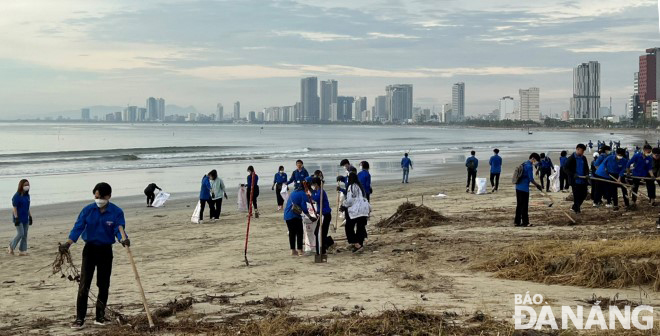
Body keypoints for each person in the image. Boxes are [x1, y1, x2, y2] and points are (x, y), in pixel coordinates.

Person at [58, 182, 130, 329]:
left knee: (103, 285)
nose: (98, 199)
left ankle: (100, 317)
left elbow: (119, 229)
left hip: (105, 250)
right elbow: (78, 228)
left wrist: (123, 240)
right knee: (84, 284)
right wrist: (68, 243)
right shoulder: (88, 210)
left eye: (101, 197)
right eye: (96, 196)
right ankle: (80, 319)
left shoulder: (116, 212)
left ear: (108, 196)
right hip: (90, 250)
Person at [340, 172, 370, 253]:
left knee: (349, 227)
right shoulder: (360, 187)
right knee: (360, 228)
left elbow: (350, 200)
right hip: (364, 209)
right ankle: (360, 244)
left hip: (356, 210)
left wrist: (343, 205)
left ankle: (357, 244)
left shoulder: (351, 186)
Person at [283, 181, 315, 256]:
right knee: (299, 232)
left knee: (292, 233)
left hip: (287, 215)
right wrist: (310, 216)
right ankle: (300, 250)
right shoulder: (302, 194)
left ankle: (293, 250)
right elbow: (304, 207)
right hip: (294, 215)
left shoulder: (294, 192)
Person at [514, 153, 542, 227]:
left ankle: (517, 222)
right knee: (524, 206)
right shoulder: (529, 166)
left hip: (518, 187)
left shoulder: (524, 163)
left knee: (519, 205)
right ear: (533, 158)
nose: (536, 162)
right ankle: (525, 222)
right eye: (536, 160)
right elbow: (531, 179)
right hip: (524, 189)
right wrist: (537, 185)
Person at [563, 144, 590, 215]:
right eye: (582, 151)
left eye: (583, 151)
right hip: (575, 181)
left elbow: (586, 167)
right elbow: (565, 168)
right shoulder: (571, 158)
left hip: (583, 180)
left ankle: (574, 207)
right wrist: (573, 174)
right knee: (576, 196)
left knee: (584, 194)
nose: (582, 152)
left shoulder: (583, 158)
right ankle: (577, 210)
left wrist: (587, 174)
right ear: (577, 149)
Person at [627, 144, 656, 208]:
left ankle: (652, 200)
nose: (649, 153)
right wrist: (628, 173)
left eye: (650, 152)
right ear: (644, 150)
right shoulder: (637, 156)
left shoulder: (649, 158)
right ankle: (633, 201)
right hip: (636, 174)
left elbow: (649, 168)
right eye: (648, 152)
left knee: (651, 185)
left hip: (645, 174)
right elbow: (629, 163)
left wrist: (652, 176)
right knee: (635, 187)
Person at [8, 179, 32, 256]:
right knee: (20, 234)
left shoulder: (27, 196)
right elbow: (14, 208)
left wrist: (30, 216)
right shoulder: (16, 196)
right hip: (18, 218)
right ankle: (11, 247)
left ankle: (22, 251)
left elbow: (27, 207)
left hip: (25, 217)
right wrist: (16, 218)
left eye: (27, 184)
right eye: (25, 185)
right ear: (21, 186)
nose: (27, 186)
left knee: (25, 235)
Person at [310, 177, 333, 255]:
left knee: (320, 233)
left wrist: (311, 194)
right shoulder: (317, 191)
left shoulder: (321, 192)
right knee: (318, 233)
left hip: (325, 215)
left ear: (316, 184)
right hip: (321, 215)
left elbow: (317, 199)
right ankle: (322, 248)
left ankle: (322, 249)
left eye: (313, 185)